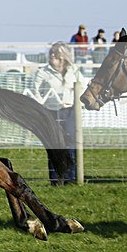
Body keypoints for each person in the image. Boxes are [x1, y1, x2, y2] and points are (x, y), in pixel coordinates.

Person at [32, 42, 83, 185]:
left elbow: (83, 87)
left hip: (70, 111)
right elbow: (35, 90)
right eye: (51, 52)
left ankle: (70, 178)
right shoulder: (43, 72)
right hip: (51, 112)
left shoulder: (74, 71)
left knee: (70, 144)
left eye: (57, 53)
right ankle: (55, 179)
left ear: (64, 55)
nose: (53, 55)